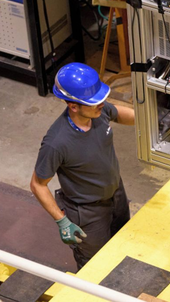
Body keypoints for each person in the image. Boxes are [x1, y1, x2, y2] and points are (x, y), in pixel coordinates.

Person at [30, 62, 135, 269]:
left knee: (123, 247)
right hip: (88, 213)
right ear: (73, 106)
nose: (101, 104)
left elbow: (118, 113)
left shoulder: (98, 112)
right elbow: (37, 185)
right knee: (95, 267)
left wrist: (151, 118)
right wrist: (62, 221)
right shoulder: (57, 143)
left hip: (117, 195)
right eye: (94, 102)